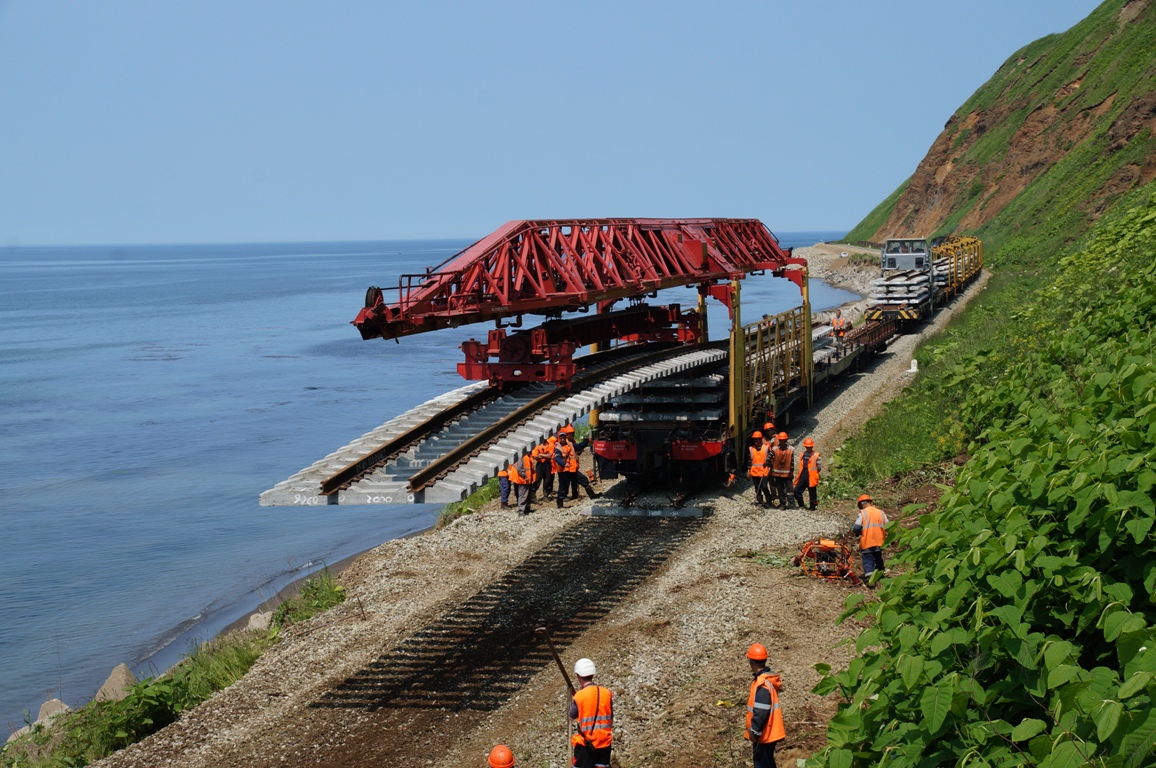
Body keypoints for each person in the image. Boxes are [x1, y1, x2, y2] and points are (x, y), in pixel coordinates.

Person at [744, 643, 785, 768]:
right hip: (769, 732)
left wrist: (754, 731)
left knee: (762, 764)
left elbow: (762, 710)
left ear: (751, 663)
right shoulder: (767, 680)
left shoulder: (762, 684)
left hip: (764, 734)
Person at [569, 658, 613, 768]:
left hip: (586, 745)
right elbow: (611, 715)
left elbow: (571, 716)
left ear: (578, 676)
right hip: (604, 743)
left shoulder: (579, 696)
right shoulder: (606, 693)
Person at [554, 430, 599, 508]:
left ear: (565, 438)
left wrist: (586, 441)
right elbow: (557, 459)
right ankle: (560, 504)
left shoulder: (571, 445)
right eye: (561, 438)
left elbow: (579, 447)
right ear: (559, 438)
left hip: (572, 470)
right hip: (564, 471)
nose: (562, 439)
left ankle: (592, 495)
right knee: (563, 487)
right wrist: (564, 464)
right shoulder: (558, 448)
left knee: (584, 480)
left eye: (564, 437)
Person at [853, 494, 889, 584]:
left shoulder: (862, 513)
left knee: (868, 559)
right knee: (878, 558)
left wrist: (858, 533)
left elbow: (856, 527)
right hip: (879, 541)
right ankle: (881, 575)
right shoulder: (880, 512)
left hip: (867, 541)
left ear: (862, 504)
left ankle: (870, 579)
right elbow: (888, 525)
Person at [792, 438, 822, 511]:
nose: (809, 448)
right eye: (807, 447)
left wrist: (814, 473)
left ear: (812, 446)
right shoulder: (802, 454)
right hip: (803, 474)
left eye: (810, 447)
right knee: (796, 491)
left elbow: (819, 467)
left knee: (812, 492)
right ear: (805, 447)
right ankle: (801, 504)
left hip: (812, 475)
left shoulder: (816, 455)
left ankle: (812, 507)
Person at [769, 432, 795, 509]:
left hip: (787, 474)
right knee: (780, 489)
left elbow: (792, 462)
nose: (782, 442)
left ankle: (791, 504)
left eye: (784, 440)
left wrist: (791, 471)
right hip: (777, 474)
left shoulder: (791, 449)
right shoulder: (775, 449)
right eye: (781, 440)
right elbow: (769, 456)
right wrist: (768, 461)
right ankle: (782, 503)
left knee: (790, 489)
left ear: (786, 440)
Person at [748, 431, 772, 508]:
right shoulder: (751, 449)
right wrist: (748, 470)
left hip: (764, 471)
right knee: (757, 487)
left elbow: (771, 457)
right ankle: (760, 502)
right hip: (754, 472)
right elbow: (749, 461)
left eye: (758, 439)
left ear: (761, 439)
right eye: (755, 440)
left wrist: (769, 463)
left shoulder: (766, 448)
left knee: (764, 486)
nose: (756, 441)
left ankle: (768, 501)